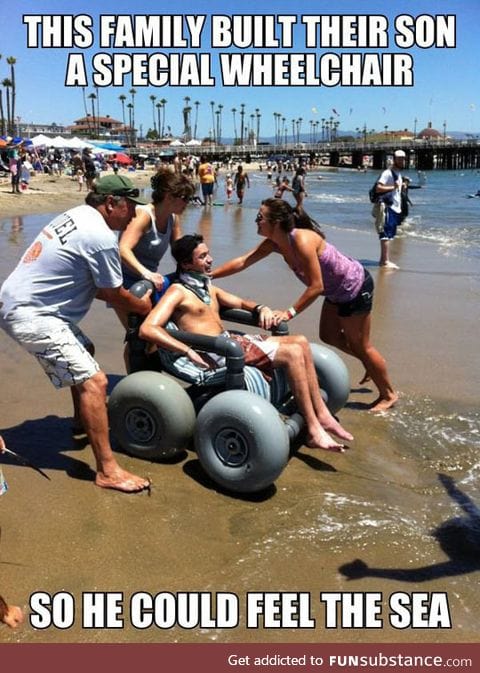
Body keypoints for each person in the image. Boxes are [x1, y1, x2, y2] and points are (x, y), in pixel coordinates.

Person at [0, 175, 153, 493]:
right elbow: (113, 294)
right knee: (94, 381)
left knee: (86, 349)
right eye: (131, 208)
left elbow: (90, 283)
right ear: (111, 204)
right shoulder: (100, 235)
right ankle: (107, 471)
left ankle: (81, 421)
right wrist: (144, 307)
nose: (135, 216)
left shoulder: (77, 215)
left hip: (22, 303)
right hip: (33, 314)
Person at [139, 234, 353, 452]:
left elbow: (240, 302)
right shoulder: (177, 291)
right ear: (186, 264)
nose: (210, 259)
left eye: (208, 254)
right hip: (218, 352)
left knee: (300, 341)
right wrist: (186, 350)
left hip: (232, 343)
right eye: (202, 257)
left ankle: (322, 414)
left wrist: (261, 309)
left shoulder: (207, 287)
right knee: (291, 354)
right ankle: (314, 430)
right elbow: (148, 328)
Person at [213, 199, 398, 412]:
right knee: (328, 335)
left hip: (354, 287)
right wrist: (210, 275)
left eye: (260, 217)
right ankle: (371, 364)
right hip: (335, 292)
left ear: (276, 222)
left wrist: (289, 313)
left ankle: (388, 394)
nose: (256, 221)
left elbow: (316, 285)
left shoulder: (301, 240)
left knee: (361, 345)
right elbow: (243, 261)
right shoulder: (275, 243)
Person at [116, 169, 195, 328]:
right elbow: (122, 249)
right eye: (185, 198)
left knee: (159, 334)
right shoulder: (143, 215)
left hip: (151, 282)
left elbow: (179, 251)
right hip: (125, 283)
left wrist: (196, 264)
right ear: (168, 196)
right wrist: (147, 273)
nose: (188, 203)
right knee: (139, 337)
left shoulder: (173, 217)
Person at [374, 149, 406, 269]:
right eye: (399, 158)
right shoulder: (387, 173)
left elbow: (396, 189)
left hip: (395, 207)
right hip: (388, 206)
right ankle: (384, 261)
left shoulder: (398, 173)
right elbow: (378, 188)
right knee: (385, 233)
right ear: (394, 159)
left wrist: (402, 186)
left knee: (390, 233)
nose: (401, 161)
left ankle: (384, 260)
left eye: (403, 158)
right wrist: (394, 186)